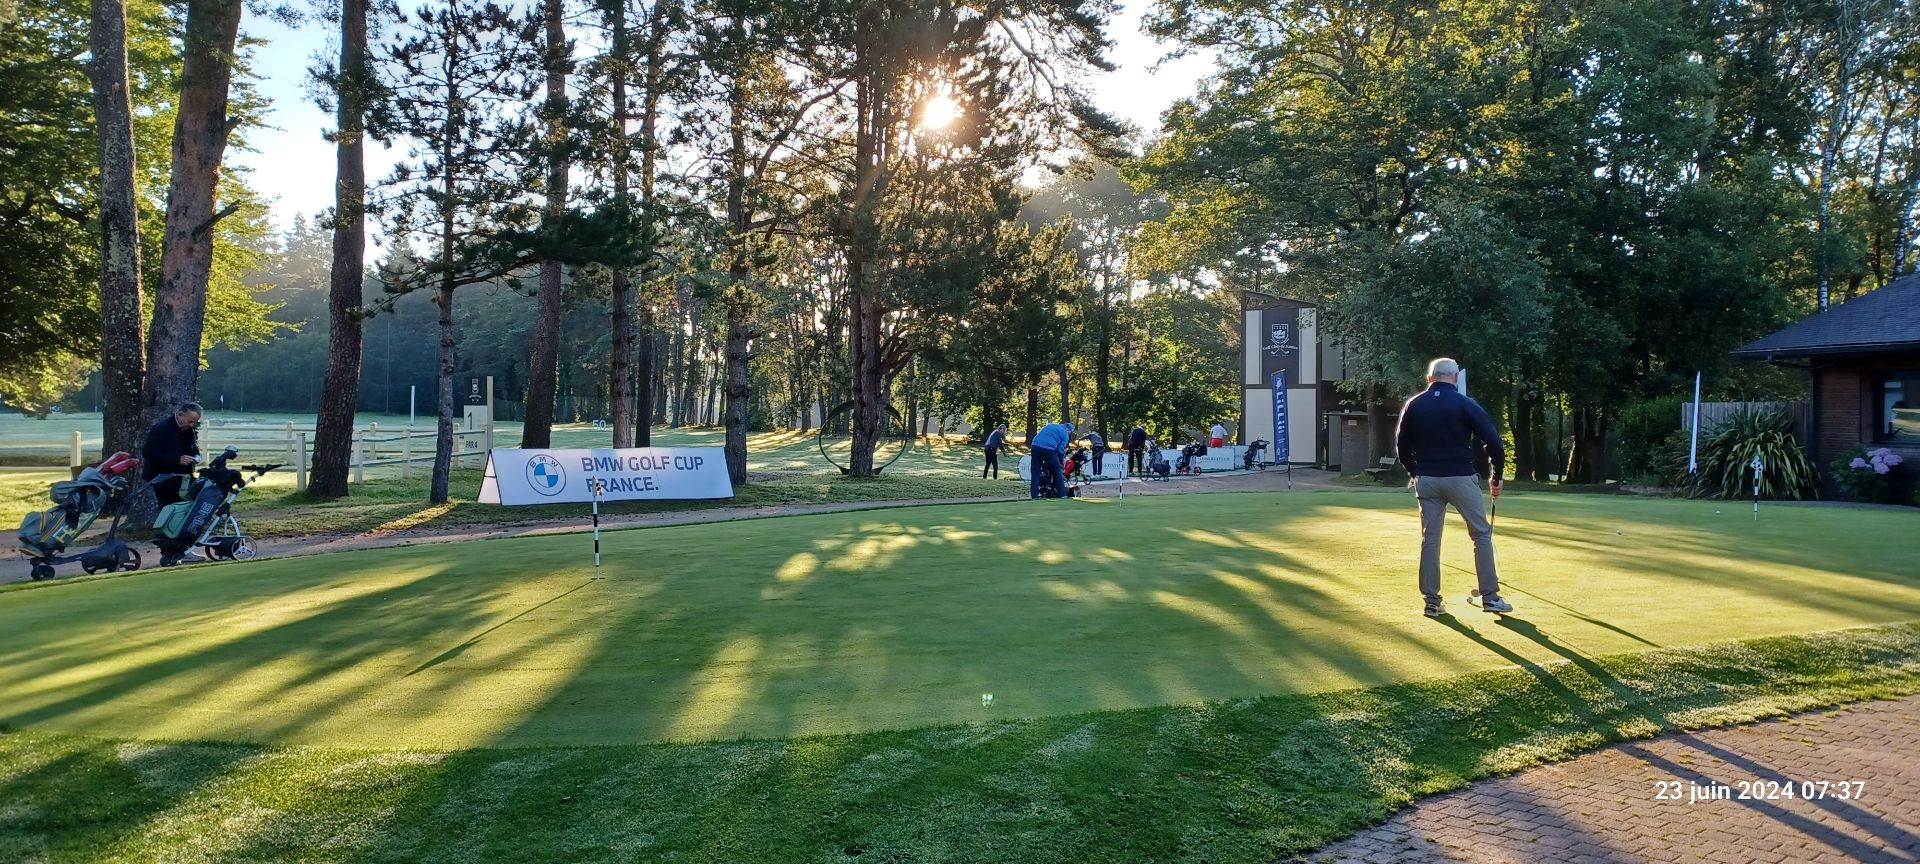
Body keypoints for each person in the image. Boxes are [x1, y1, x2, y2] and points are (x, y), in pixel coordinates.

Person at [1395, 358, 1508, 617]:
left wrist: (1414, 472)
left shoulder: (1414, 404)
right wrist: (1496, 476)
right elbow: (1493, 442)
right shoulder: (1465, 403)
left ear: (1429, 378)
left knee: (1430, 539)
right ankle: (1490, 598)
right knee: (1481, 534)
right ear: (1455, 378)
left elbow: (1401, 445)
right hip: (1460, 477)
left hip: (1427, 478)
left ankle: (1432, 602)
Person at [142, 402, 205, 561]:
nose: (191, 424)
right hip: (163, 478)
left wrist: (196, 456)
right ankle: (170, 552)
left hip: (183, 477)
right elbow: (149, 453)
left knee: (186, 513)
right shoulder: (161, 428)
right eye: (190, 421)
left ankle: (183, 549)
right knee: (171, 513)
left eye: (194, 422)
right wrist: (177, 459)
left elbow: (191, 447)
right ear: (180, 414)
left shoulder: (188, 429)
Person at [1028, 421, 1074, 499]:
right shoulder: (1065, 434)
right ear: (1069, 430)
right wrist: (1060, 461)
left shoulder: (1051, 425)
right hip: (1049, 449)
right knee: (1057, 471)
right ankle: (1062, 494)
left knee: (1035, 472)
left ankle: (1034, 495)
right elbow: (1060, 450)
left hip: (1035, 446)